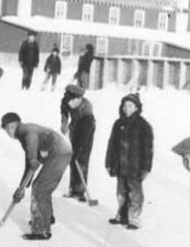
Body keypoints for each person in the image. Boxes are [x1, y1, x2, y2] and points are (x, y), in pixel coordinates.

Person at [1, 112, 72, 240]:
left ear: (12, 126)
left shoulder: (27, 132)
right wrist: (23, 186)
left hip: (58, 152)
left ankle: (42, 230)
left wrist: (33, 159)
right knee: (43, 186)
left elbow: (32, 149)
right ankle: (46, 217)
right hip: (60, 151)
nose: (8, 132)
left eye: (8, 129)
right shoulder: (24, 131)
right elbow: (30, 161)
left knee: (40, 188)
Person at [105, 93, 153, 229]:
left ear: (137, 108)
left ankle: (134, 219)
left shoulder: (143, 126)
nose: (127, 109)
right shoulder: (118, 123)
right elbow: (112, 144)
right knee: (121, 192)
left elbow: (148, 149)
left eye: (130, 106)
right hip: (120, 165)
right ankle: (122, 215)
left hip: (135, 167)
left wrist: (146, 168)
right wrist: (109, 163)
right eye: (125, 106)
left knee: (135, 193)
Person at [60, 84, 95, 202]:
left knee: (82, 159)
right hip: (74, 128)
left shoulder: (86, 107)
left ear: (78, 99)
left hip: (86, 132)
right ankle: (73, 189)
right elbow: (64, 110)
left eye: (72, 101)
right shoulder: (67, 99)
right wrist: (64, 123)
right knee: (72, 160)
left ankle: (80, 191)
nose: (70, 103)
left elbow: (87, 128)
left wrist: (78, 148)